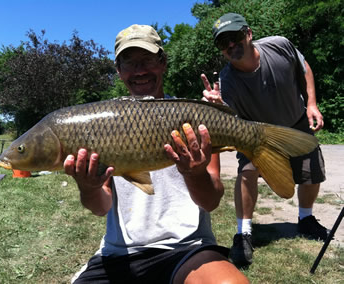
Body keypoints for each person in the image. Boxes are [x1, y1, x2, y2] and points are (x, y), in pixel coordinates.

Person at [64, 24, 249, 284]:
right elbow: (100, 207)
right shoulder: (99, 125)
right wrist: (88, 187)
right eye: (129, 63)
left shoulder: (195, 121)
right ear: (118, 71)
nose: (139, 70)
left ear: (163, 62)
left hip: (188, 248)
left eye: (148, 59)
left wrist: (194, 173)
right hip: (120, 253)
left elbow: (210, 202)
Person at [202, 13, 329, 267]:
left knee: (311, 172)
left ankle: (305, 219)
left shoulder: (278, 45)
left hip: (296, 122)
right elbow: (232, 118)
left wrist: (312, 104)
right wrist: (219, 106)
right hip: (257, 135)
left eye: (235, 37)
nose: (230, 46)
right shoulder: (227, 82)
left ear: (248, 34)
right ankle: (244, 233)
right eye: (223, 43)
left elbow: (304, 68)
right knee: (247, 170)